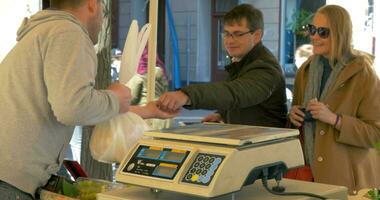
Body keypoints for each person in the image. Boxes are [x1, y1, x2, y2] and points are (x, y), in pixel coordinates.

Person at [0, 0, 177, 199]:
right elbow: (73, 108)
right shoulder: (68, 32)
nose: (103, 20)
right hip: (10, 181)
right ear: (92, 4)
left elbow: (80, 104)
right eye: (103, 9)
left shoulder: (45, 31)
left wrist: (147, 111)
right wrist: (115, 99)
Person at [288, 4, 380, 194]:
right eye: (312, 29)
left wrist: (335, 119)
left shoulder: (363, 74)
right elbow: (297, 129)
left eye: (323, 32)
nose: (314, 36)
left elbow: (375, 134)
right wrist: (293, 116)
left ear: (340, 34)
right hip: (307, 177)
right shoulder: (305, 71)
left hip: (348, 182)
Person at [158, 4, 287, 127]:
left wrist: (187, 95)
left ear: (257, 35)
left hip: (267, 146)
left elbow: (235, 93)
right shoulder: (241, 61)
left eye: (238, 34)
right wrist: (222, 114)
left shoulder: (266, 68)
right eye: (227, 33)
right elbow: (244, 102)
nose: (229, 41)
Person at [128, 46, 170, 129]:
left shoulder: (139, 75)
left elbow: (132, 98)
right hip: (162, 114)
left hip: (146, 114)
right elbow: (165, 90)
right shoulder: (161, 71)